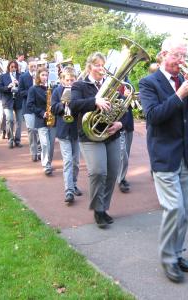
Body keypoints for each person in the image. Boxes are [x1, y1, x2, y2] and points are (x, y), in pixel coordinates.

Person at [139, 37, 188, 283]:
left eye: (184, 56)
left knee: (186, 210)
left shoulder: (185, 81)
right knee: (174, 208)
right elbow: (153, 116)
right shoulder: (148, 82)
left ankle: (177, 253)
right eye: (177, 55)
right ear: (163, 54)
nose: (182, 61)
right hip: (164, 155)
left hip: (187, 155)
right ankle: (168, 260)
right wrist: (179, 95)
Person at [70, 52, 122, 228]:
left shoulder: (113, 85)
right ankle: (98, 210)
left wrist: (120, 123)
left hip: (111, 133)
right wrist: (95, 101)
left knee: (113, 172)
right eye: (98, 65)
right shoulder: (79, 85)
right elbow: (74, 105)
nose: (101, 68)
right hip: (90, 135)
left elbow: (125, 107)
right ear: (90, 66)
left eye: (103, 65)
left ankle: (103, 208)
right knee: (98, 171)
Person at [51, 66, 82, 203]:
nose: (69, 82)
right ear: (62, 80)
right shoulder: (57, 91)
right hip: (63, 130)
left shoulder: (78, 91)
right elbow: (53, 108)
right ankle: (68, 190)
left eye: (72, 80)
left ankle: (74, 184)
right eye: (67, 80)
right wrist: (63, 105)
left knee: (76, 162)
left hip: (76, 129)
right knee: (68, 161)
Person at [27, 67, 57, 176]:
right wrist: (41, 113)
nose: (45, 77)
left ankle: (48, 161)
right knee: (45, 144)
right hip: (41, 120)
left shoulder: (52, 88)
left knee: (51, 145)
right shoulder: (33, 89)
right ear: (38, 76)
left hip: (53, 120)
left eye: (46, 75)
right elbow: (29, 105)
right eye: (43, 75)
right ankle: (46, 165)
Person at [18, 58, 41, 161]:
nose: (33, 68)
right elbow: (20, 92)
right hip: (27, 107)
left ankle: (40, 151)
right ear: (28, 66)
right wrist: (32, 93)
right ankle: (33, 151)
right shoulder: (23, 77)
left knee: (40, 130)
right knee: (31, 129)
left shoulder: (41, 76)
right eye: (31, 66)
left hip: (39, 107)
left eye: (35, 66)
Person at [0, 60, 22, 148]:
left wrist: (19, 84)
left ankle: (18, 140)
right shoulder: (3, 76)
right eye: (12, 67)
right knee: (10, 119)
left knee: (19, 121)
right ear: (8, 67)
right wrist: (8, 87)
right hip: (7, 101)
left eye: (15, 67)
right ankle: (10, 140)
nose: (13, 68)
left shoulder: (20, 76)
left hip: (18, 101)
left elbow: (24, 89)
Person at [117, 79, 134, 193]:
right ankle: (120, 179)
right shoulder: (110, 83)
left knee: (126, 152)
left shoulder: (129, 84)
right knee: (122, 153)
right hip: (117, 123)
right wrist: (123, 96)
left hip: (128, 122)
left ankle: (121, 176)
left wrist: (130, 96)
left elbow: (133, 104)